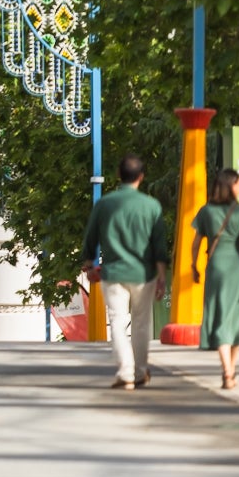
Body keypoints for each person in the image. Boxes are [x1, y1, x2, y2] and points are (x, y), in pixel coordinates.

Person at [81, 156, 168, 389]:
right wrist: (161, 277)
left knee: (117, 321)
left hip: (114, 273)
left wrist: (88, 263)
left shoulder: (105, 204)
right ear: (141, 176)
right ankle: (140, 372)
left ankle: (126, 372)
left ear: (119, 175)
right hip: (144, 273)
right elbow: (159, 246)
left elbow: (91, 237)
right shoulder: (152, 206)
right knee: (141, 322)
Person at [191, 168, 239, 389]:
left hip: (216, 267)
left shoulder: (206, 212)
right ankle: (229, 371)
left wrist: (194, 265)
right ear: (231, 186)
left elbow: (196, 242)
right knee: (237, 317)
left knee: (220, 313)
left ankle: (229, 371)